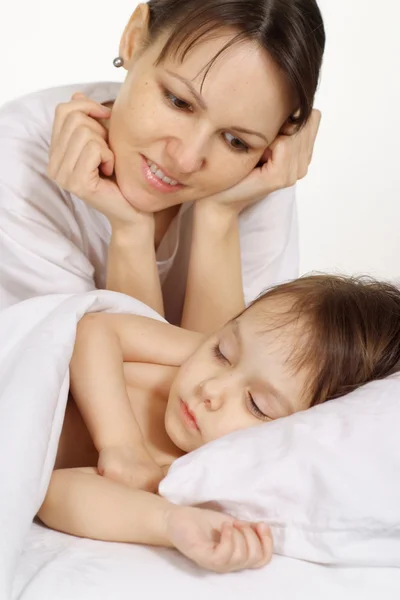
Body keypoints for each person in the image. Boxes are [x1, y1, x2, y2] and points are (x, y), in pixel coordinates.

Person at [37, 274, 400, 573]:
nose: (211, 388)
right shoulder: (187, 358)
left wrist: (168, 523)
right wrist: (120, 443)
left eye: (257, 405)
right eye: (223, 351)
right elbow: (94, 330)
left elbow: (52, 494)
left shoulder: (179, 473)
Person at [0, 0, 324, 332]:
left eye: (234, 141)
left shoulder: (255, 178)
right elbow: (118, 381)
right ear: (134, 38)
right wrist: (130, 232)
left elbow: (224, 381)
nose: (186, 160)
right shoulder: (16, 165)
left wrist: (219, 217)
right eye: (178, 101)